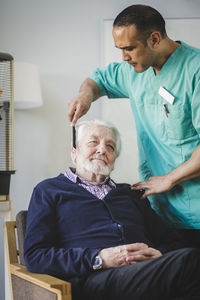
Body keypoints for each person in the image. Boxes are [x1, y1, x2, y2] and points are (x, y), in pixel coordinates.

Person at [24, 120, 200, 300]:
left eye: (110, 146)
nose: (102, 149)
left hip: (145, 274)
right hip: (92, 281)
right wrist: (99, 258)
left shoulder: (131, 194)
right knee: (190, 262)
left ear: (114, 159)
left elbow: (173, 241)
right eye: (93, 142)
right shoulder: (49, 190)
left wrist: (159, 253)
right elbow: (36, 256)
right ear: (74, 152)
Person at [67, 4, 200, 229]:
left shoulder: (194, 72)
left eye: (129, 48)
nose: (124, 57)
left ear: (155, 39)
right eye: (119, 48)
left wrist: (169, 179)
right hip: (160, 209)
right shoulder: (135, 71)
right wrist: (85, 95)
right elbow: (97, 80)